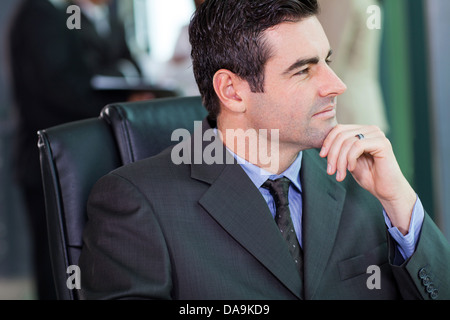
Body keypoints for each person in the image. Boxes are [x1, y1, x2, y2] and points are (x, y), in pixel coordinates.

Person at [78, 0, 450, 300]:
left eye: (327, 62)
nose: (336, 85)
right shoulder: (139, 203)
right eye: (303, 70)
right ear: (232, 91)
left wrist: (400, 201)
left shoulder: (362, 179)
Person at [8, 0, 150, 299]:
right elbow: (59, 87)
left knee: (77, 257)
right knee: (55, 260)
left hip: (74, 157)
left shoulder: (80, 15)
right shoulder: (41, 13)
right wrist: (118, 106)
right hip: (48, 159)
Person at [317, 0, 389, 132]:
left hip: (344, 112)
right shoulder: (370, 4)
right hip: (366, 109)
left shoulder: (345, 2)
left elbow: (329, 57)